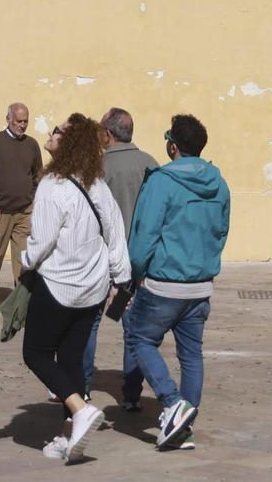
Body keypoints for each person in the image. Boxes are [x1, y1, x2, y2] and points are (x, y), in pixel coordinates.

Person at [19, 114, 130, 463]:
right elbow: (116, 234)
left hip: (59, 287)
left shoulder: (53, 184)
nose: (50, 134)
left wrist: (25, 259)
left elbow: (42, 242)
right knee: (69, 360)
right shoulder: (96, 183)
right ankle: (68, 437)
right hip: (93, 291)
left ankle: (81, 410)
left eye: (56, 131)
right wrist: (120, 279)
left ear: (66, 143)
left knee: (35, 354)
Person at [124, 112, 230, 451]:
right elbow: (222, 231)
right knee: (191, 356)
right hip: (200, 285)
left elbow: (144, 233)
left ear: (173, 146)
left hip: (163, 283)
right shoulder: (219, 183)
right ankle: (184, 428)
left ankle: (172, 403)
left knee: (139, 338)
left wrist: (136, 272)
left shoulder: (161, 181)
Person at [83, 107, 158, 402]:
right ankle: (131, 394)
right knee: (134, 328)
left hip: (102, 259)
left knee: (90, 324)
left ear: (108, 134)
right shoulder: (151, 164)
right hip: (138, 261)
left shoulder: (97, 167)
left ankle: (83, 387)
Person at [0, 102, 42, 311]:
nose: (22, 125)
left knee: (24, 255)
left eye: (26, 121)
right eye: (19, 120)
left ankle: (22, 297)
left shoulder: (32, 144)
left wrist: (33, 198)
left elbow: (37, 174)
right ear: (8, 119)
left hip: (24, 210)